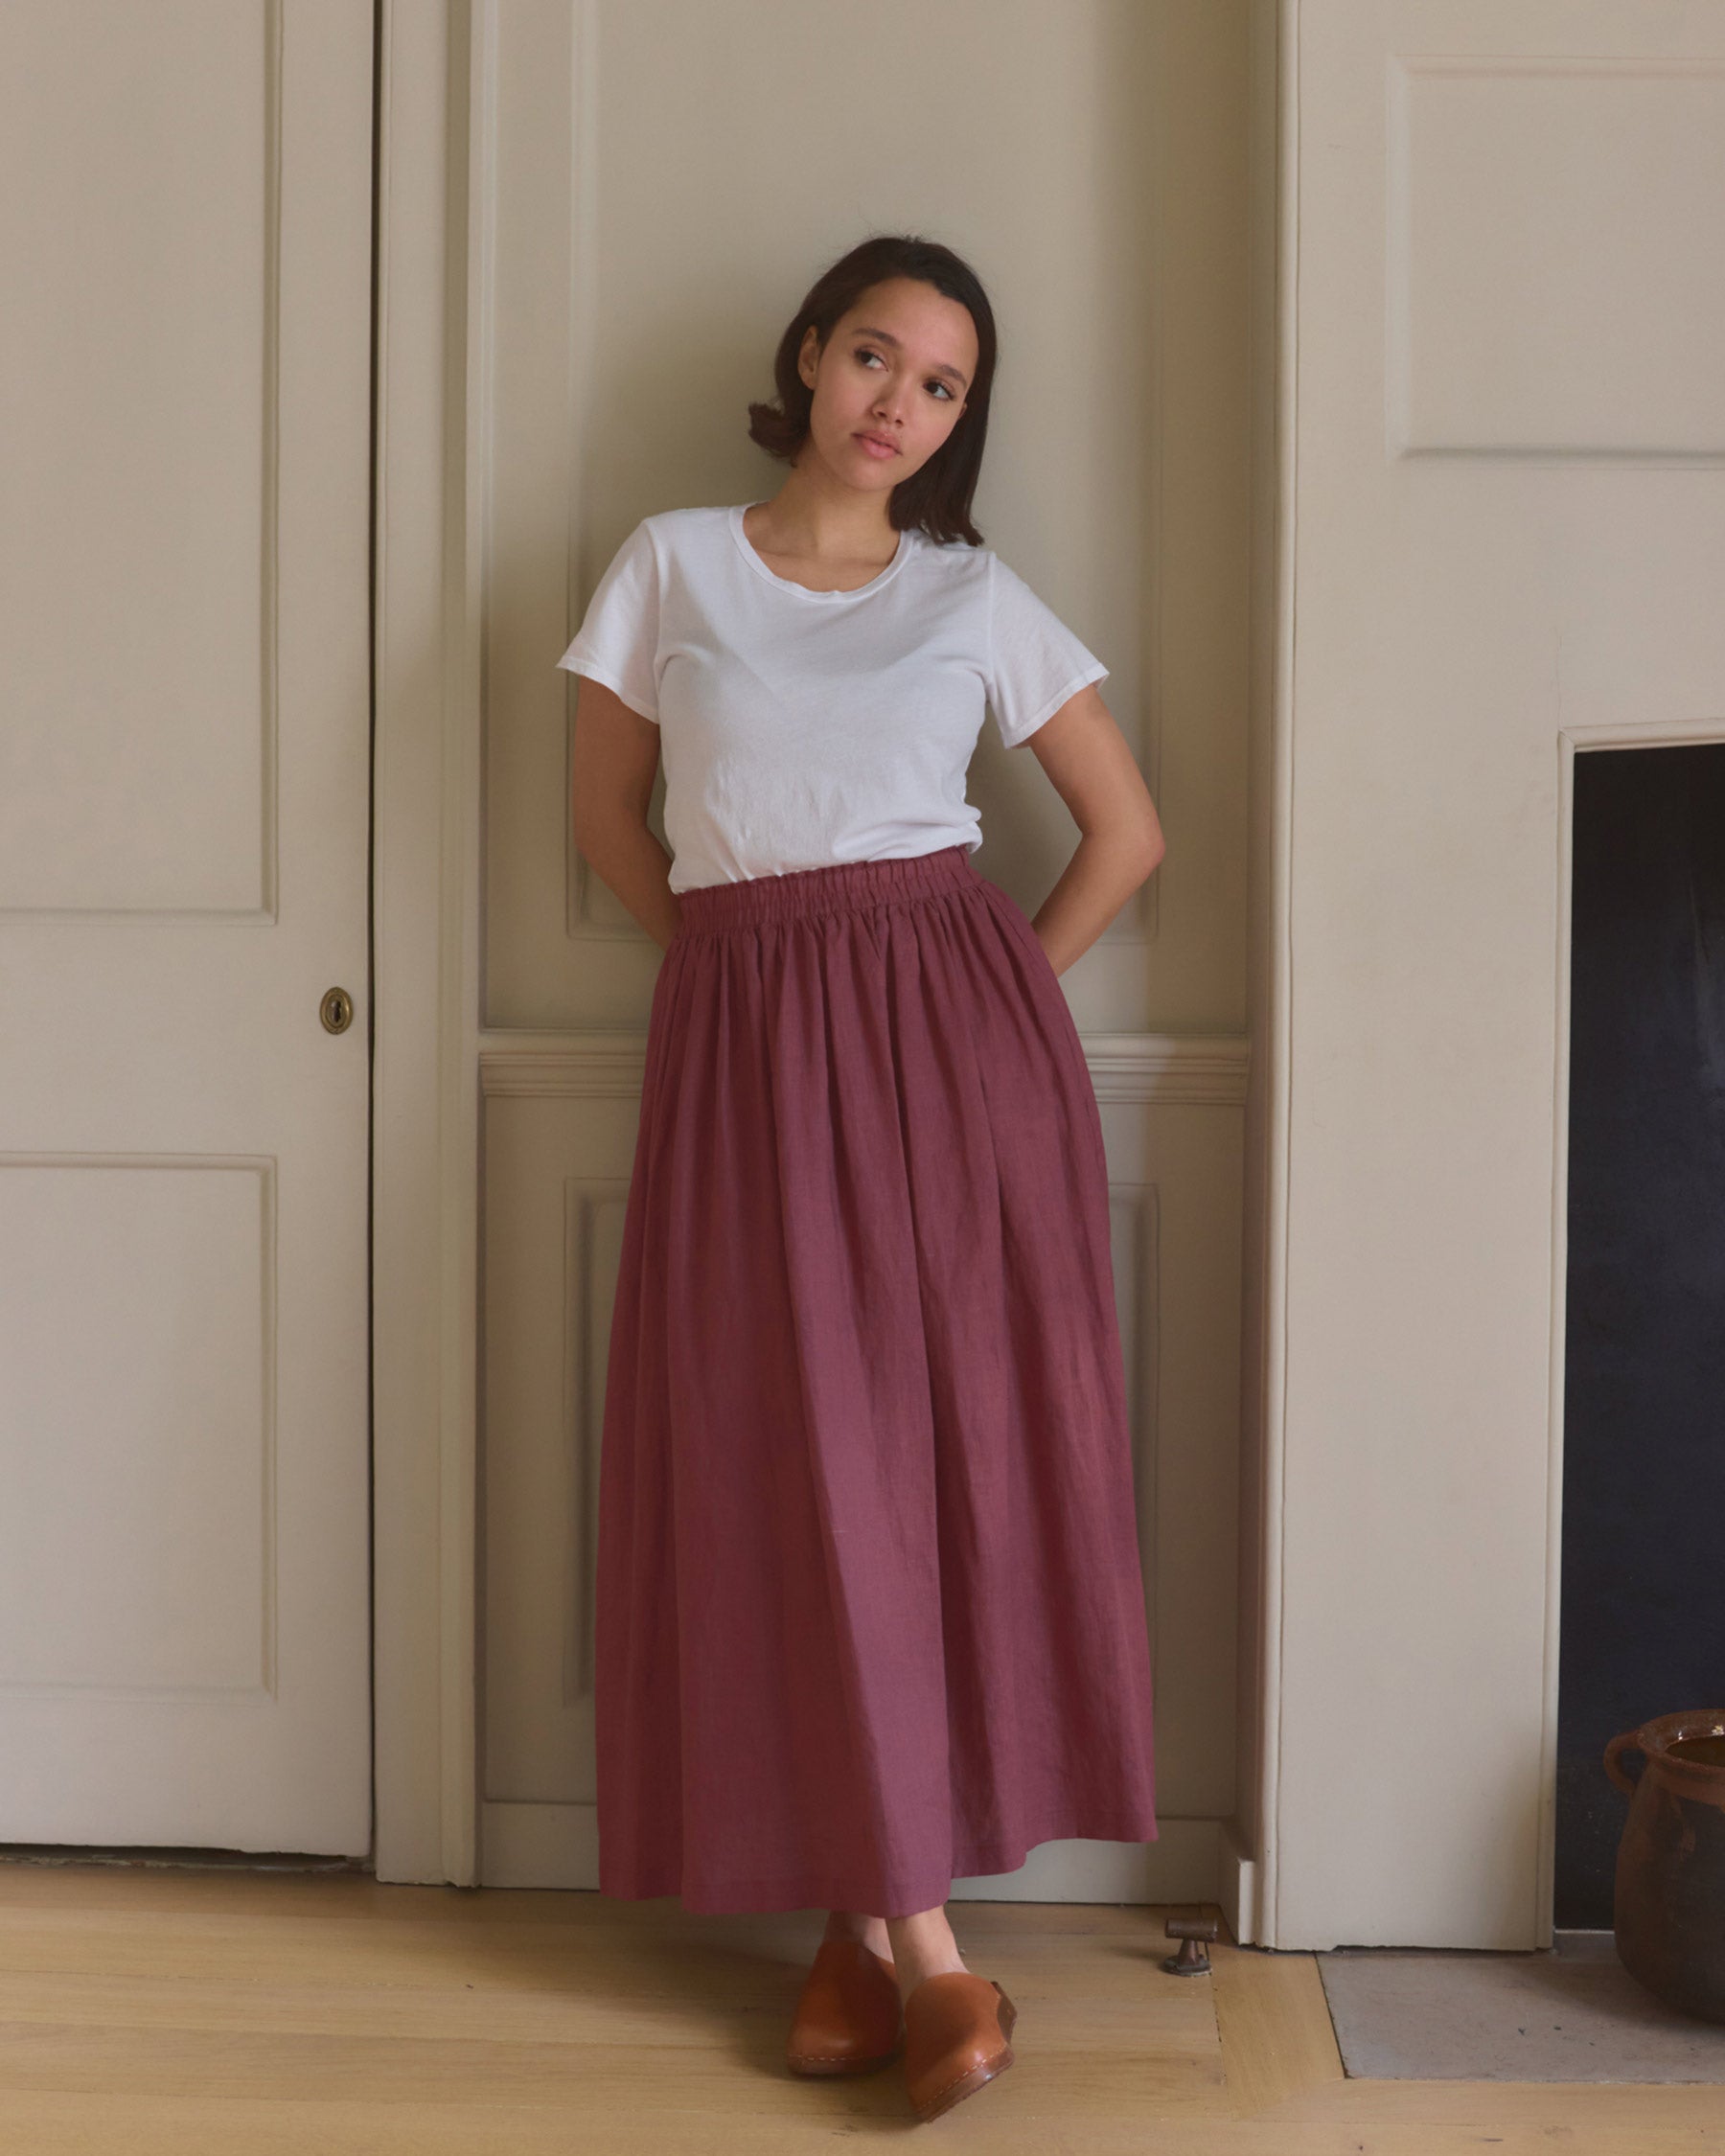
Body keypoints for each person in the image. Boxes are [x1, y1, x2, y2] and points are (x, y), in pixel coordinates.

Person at [559, 232, 1164, 2124]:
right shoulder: (667, 560)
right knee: (792, 1466)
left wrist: (993, 1011)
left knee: (932, 1475)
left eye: (942, 386)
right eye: (874, 358)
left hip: (957, 1070)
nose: (898, 404)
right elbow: (600, 817)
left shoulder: (975, 595)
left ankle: (902, 1950)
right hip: (746, 1061)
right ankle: (895, 1945)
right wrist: (738, 983)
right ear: (808, 357)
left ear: (960, 423)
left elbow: (1125, 833)